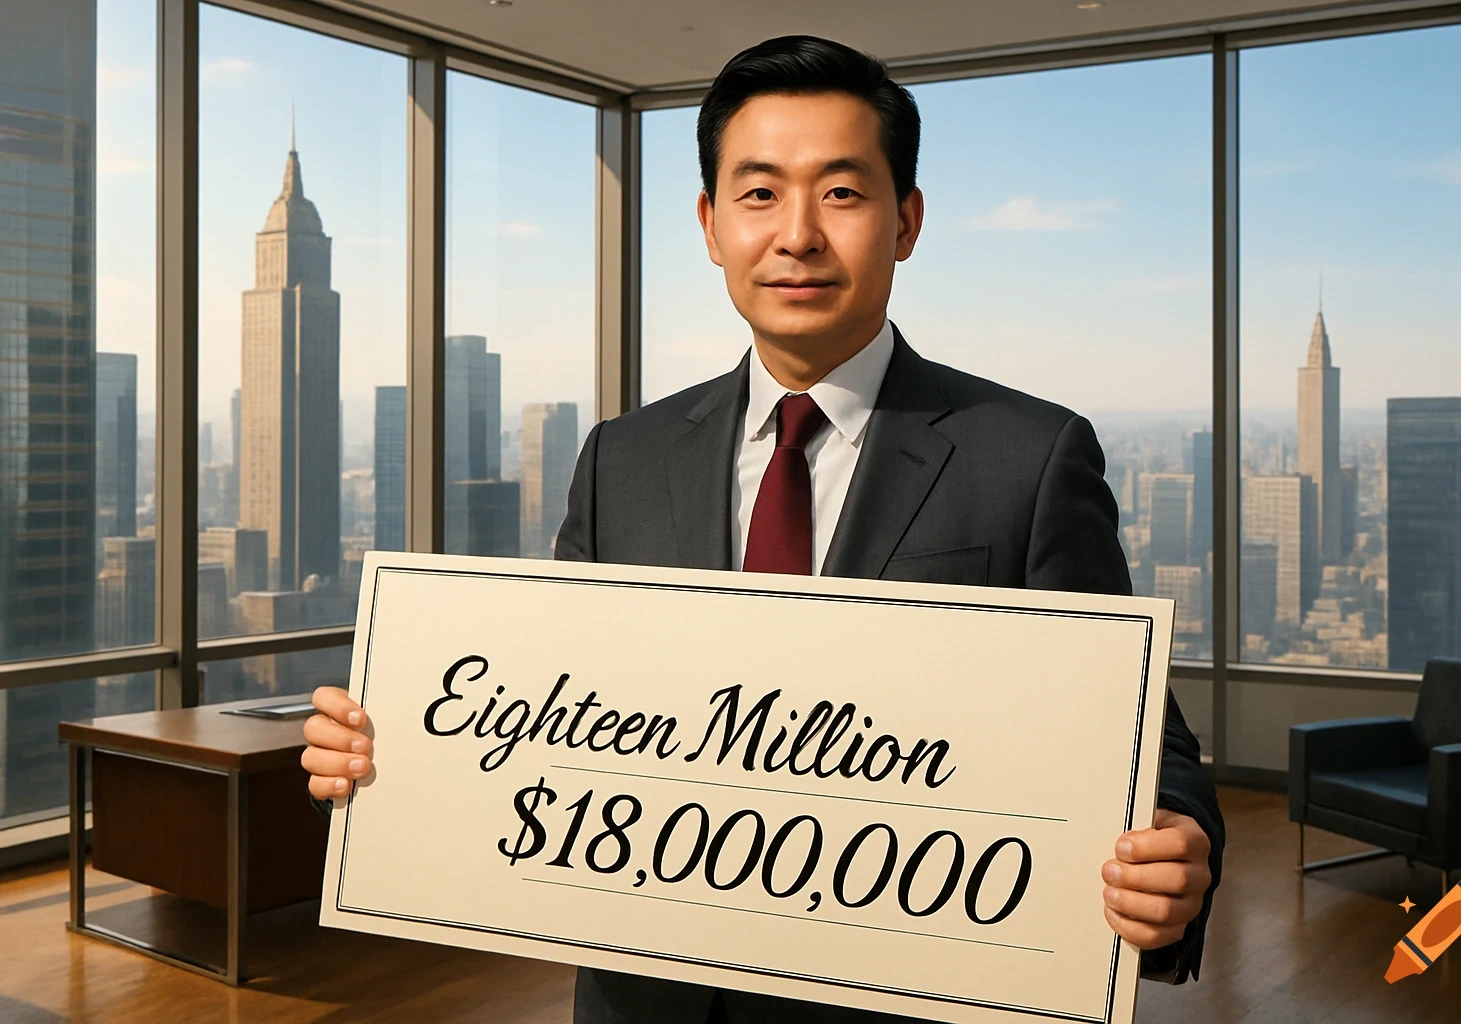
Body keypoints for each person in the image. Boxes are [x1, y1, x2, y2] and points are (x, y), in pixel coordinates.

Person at [303, 34, 1223, 1023]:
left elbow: (1143, 740)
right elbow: (545, 718)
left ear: (906, 220)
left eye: (841, 192)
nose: (797, 234)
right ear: (708, 225)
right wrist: (391, 753)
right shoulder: (624, 460)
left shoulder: (1027, 460)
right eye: (758, 194)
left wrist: (1177, 852)